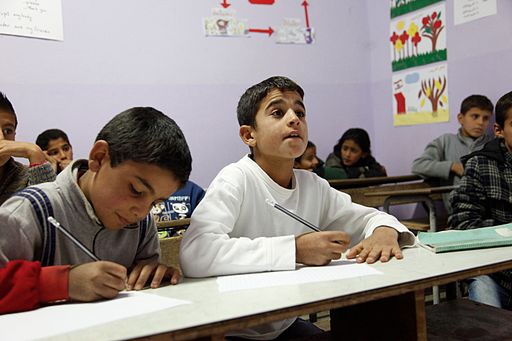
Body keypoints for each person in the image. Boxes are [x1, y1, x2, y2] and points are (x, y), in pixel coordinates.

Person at [179, 76, 415, 340]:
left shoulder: (312, 184)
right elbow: (195, 252)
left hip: (284, 324)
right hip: (233, 330)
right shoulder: (236, 179)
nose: (294, 119)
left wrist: (384, 230)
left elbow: (366, 219)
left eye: (300, 112)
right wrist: (295, 249)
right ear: (249, 135)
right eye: (278, 112)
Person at [0, 107, 192, 313]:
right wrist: (63, 282)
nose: (142, 212)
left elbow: (142, 291)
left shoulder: (142, 224)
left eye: (155, 203)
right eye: (136, 190)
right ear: (99, 158)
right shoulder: (27, 213)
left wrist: (153, 275)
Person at [449, 91, 512, 310]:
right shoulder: (480, 165)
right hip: (495, 274)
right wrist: (506, 231)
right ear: (499, 131)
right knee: (489, 324)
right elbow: (462, 223)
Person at [411, 94, 494, 211]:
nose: (480, 122)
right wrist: (452, 166)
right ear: (461, 118)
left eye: (486, 118)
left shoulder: (493, 144)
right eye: (475, 116)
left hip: (489, 210)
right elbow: (418, 166)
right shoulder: (446, 141)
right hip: (457, 211)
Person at [0, 92, 55, 205]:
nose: (1, 138)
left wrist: (35, 153)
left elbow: (50, 215)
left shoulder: (26, 178)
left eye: (8, 131)